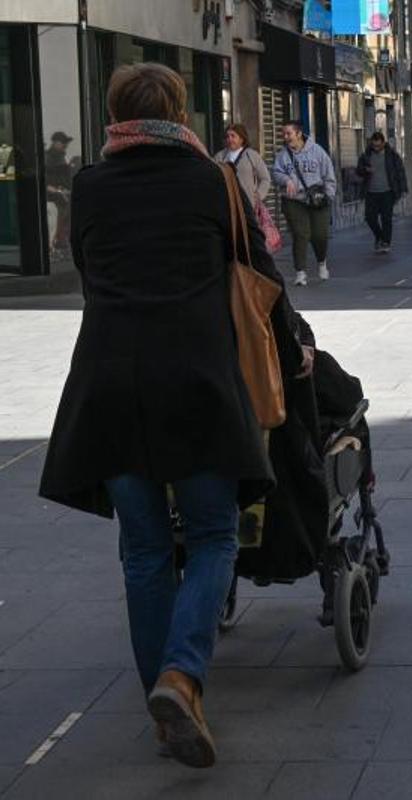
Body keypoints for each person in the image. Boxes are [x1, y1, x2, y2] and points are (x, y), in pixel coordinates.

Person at [38, 63, 315, 770]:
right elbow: (259, 276)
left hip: (109, 386)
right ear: (181, 114)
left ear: (115, 114)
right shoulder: (210, 181)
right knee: (216, 534)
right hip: (197, 382)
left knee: (144, 551)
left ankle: (166, 713)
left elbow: (89, 270)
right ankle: (181, 677)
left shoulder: (91, 186)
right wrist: (296, 347)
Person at [271, 120, 336, 286]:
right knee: (301, 234)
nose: (285, 137)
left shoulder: (317, 151)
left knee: (319, 235)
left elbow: (329, 175)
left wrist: (329, 196)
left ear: (299, 133)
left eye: (288, 133)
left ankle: (322, 262)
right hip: (293, 201)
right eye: (283, 134)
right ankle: (300, 272)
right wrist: (286, 180)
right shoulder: (283, 155)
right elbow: (276, 173)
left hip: (318, 200)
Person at [355, 131, 408, 253]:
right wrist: (365, 169)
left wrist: (403, 189)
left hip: (387, 192)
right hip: (371, 192)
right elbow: (358, 170)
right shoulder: (366, 155)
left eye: (378, 146)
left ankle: (386, 243)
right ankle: (379, 236)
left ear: (383, 143)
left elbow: (400, 172)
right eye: (374, 146)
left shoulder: (392, 155)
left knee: (386, 218)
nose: (376, 148)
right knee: (369, 218)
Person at [213, 123, 271, 212]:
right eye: (227, 136)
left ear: (241, 138)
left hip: (248, 205)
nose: (230, 139)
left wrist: (259, 194)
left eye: (233, 136)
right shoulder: (220, 156)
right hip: (226, 204)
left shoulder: (251, 155)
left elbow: (265, 178)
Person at [44, 131, 75, 253]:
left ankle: (61, 244)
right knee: (57, 222)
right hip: (54, 197)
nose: (66, 145)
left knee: (64, 219)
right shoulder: (49, 157)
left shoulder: (60, 156)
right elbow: (45, 181)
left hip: (62, 195)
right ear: (56, 142)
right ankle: (58, 245)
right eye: (64, 142)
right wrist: (58, 191)